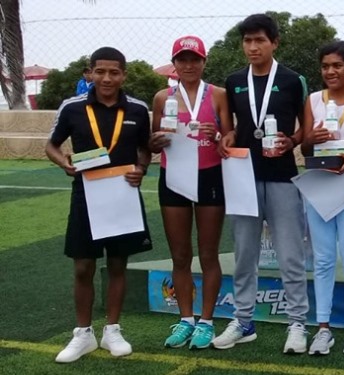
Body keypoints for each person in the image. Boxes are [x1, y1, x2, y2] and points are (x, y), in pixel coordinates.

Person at [45, 47, 152, 363]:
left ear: (123, 75)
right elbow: (51, 145)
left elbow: (145, 150)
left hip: (123, 195)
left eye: (114, 72)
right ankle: (83, 334)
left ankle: (112, 330)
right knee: (83, 266)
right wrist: (63, 162)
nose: (107, 78)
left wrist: (141, 169)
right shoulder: (72, 107)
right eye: (100, 71)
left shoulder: (136, 109)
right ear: (89, 73)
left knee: (118, 264)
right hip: (85, 196)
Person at [214, 13, 309, 353]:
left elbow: (306, 128)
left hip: (283, 176)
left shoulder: (293, 79)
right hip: (243, 176)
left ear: (274, 42)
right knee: (244, 255)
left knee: (290, 255)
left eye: (260, 41)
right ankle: (243, 320)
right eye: (247, 41)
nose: (252, 47)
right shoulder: (234, 80)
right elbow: (231, 126)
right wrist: (226, 136)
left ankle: (297, 323)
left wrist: (293, 141)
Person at [149, 35, 229, 350]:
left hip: (209, 175)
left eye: (194, 59)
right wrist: (155, 141)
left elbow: (231, 134)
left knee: (208, 253)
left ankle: (206, 322)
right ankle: (185, 319)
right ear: (174, 64)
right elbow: (153, 139)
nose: (188, 65)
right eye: (182, 59)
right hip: (173, 177)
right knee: (180, 255)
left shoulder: (219, 95)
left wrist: (220, 132)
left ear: (204, 61)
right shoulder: (161, 97)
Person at [300, 40, 344, 356]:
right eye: (325, 66)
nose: (330, 71)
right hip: (319, 181)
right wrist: (309, 139)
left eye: (337, 65)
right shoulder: (313, 99)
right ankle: (323, 328)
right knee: (324, 259)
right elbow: (304, 147)